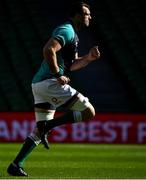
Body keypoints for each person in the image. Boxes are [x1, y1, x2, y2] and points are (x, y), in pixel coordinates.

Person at [7, 1, 100, 176]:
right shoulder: (67, 30)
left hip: (39, 85)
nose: (90, 16)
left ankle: (15, 164)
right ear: (76, 15)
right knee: (89, 112)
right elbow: (48, 49)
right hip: (51, 82)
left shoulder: (73, 35)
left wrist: (88, 58)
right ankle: (48, 126)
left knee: (37, 133)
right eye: (86, 13)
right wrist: (58, 75)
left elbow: (71, 66)